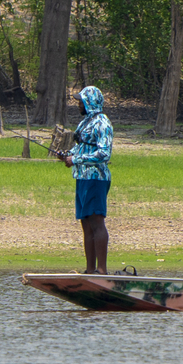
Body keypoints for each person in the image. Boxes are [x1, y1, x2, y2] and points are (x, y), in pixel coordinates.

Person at [60, 85, 113, 275]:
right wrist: (67, 154)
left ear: (90, 102)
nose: (78, 105)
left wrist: (76, 159)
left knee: (97, 221)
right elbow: (81, 147)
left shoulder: (103, 123)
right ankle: (90, 270)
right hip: (82, 177)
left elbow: (104, 154)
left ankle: (102, 270)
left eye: (81, 101)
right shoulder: (85, 122)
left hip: (96, 178)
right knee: (86, 223)